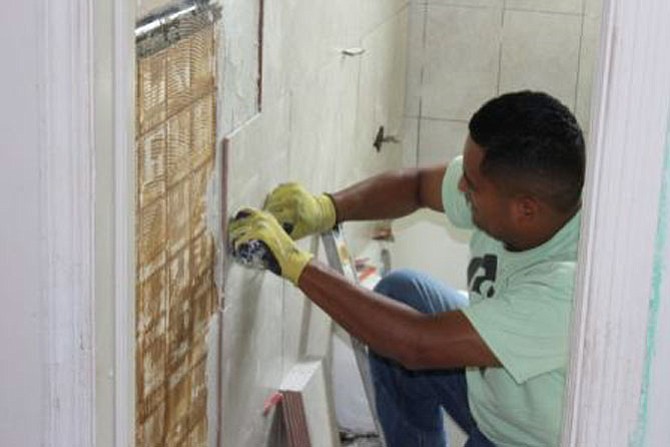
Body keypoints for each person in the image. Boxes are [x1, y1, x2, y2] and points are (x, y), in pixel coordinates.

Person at [229, 90, 585, 447]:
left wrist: (295, 265)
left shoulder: (572, 288)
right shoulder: (518, 202)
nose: (460, 185)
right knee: (403, 291)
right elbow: (416, 187)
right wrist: (328, 208)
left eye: (473, 186)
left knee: (405, 336)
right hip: (489, 393)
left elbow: (416, 345)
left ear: (526, 209)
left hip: (522, 439)